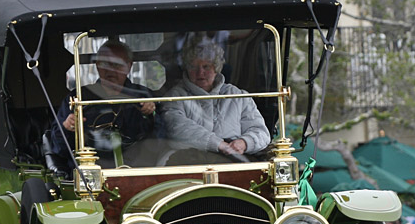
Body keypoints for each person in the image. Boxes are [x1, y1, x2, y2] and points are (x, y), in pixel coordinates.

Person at [48, 38, 158, 168]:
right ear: (97, 66)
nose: (111, 71)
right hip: (91, 171)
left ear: (129, 66)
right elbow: (59, 148)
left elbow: (163, 139)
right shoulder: (77, 98)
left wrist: (151, 114)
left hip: (138, 169)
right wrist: (67, 128)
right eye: (105, 64)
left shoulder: (144, 97)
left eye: (117, 65)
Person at [161, 36, 270, 159]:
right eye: (193, 67)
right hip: (187, 160)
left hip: (234, 160)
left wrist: (244, 143)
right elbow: (177, 127)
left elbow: (260, 132)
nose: (200, 72)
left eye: (206, 66)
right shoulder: (174, 97)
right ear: (186, 68)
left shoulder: (238, 96)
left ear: (216, 68)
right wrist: (218, 144)